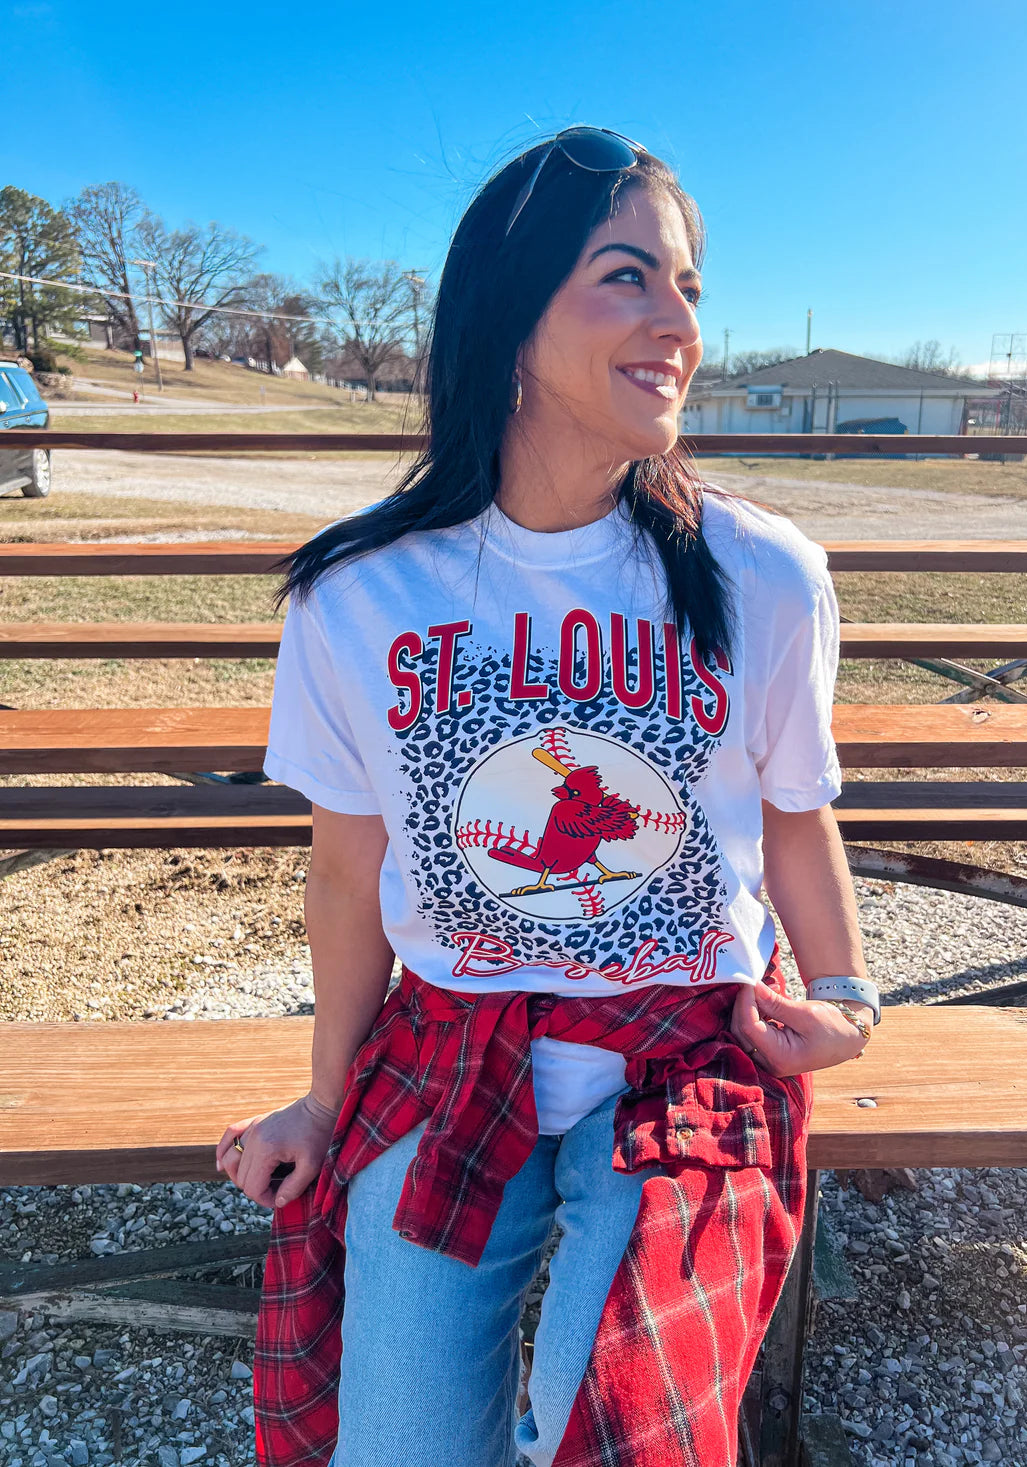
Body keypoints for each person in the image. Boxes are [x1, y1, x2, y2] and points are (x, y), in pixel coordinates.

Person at [215, 126, 878, 1467]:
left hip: (693, 1057)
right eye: (627, 277)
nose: (678, 323)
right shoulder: (361, 597)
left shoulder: (764, 576)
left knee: (628, 1432)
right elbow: (346, 878)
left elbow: (797, 814)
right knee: (396, 1449)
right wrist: (323, 1102)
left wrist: (847, 1000)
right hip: (452, 1051)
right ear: (508, 319)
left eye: (688, 285)